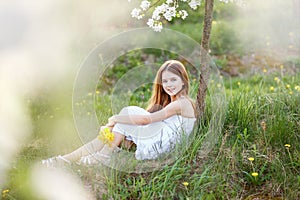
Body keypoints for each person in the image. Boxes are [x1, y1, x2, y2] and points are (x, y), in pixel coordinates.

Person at [42, 60, 197, 167]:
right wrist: (113, 126)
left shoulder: (182, 103)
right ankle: (65, 160)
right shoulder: (173, 103)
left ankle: (103, 156)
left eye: (173, 80)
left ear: (183, 81)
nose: (169, 85)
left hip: (162, 147)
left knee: (129, 114)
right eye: (165, 81)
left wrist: (116, 118)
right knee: (110, 131)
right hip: (159, 142)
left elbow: (146, 120)